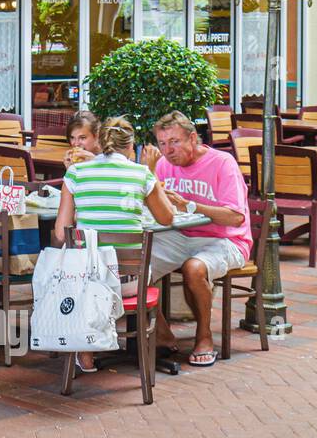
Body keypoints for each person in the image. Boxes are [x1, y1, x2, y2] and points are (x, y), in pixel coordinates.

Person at [56, 116, 175, 372]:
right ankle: (148, 342)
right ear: (131, 148)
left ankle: (86, 348)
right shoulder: (141, 174)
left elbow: (59, 233)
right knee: (140, 271)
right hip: (129, 284)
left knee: (94, 277)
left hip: (85, 279)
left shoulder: (75, 172)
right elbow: (167, 218)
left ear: (101, 141)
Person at [140, 111, 251, 368]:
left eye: (175, 142)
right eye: (163, 144)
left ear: (193, 138)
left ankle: (204, 336)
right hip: (181, 235)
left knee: (194, 268)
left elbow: (235, 218)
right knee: (136, 263)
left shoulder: (223, 163)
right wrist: (150, 175)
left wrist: (191, 205)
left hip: (226, 240)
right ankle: (162, 332)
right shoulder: (164, 165)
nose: (168, 150)